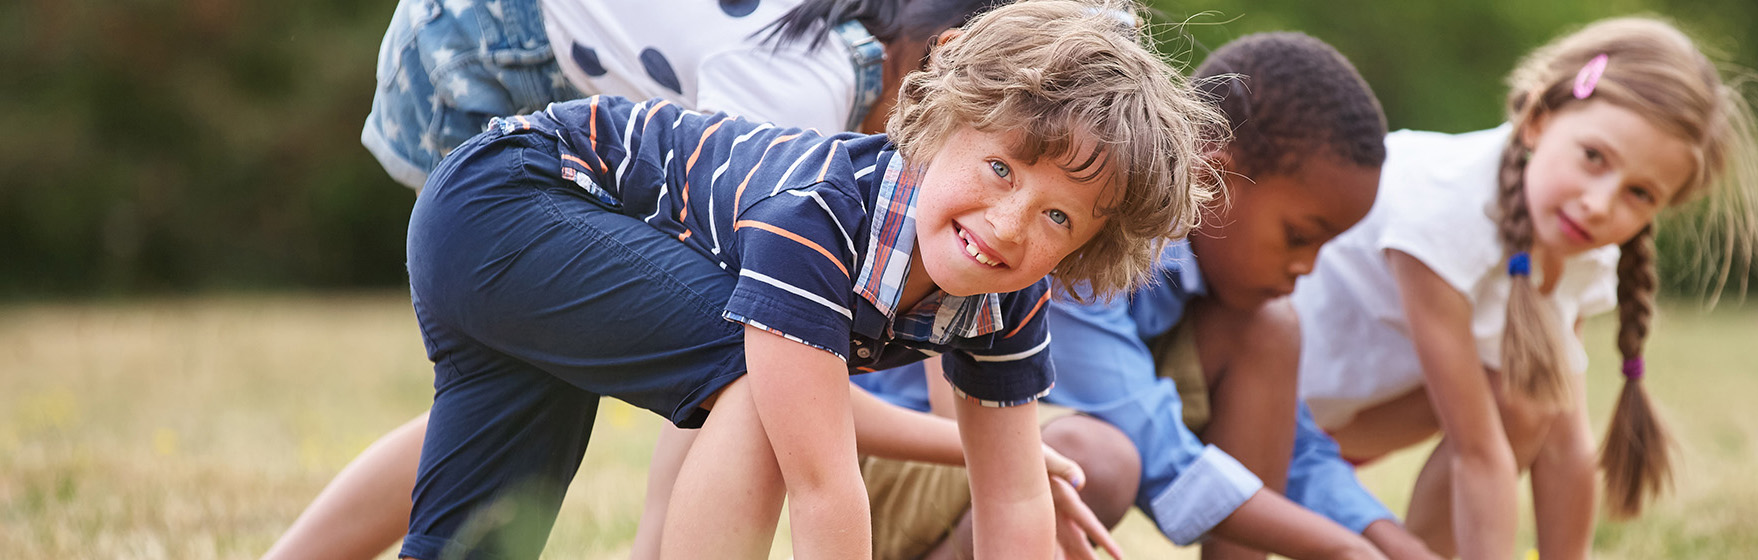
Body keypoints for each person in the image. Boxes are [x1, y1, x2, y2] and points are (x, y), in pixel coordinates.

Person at [379, 1, 1229, 558]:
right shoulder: (818, 217)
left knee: (477, 540)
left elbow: (1011, 498)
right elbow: (824, 482)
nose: (1009, 225)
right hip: (511, 196)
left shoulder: (1008, 292)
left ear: (1088, 246)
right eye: (1003, 169)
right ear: (941, 123)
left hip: (500, 231)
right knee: (756, 377)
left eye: (1058, 218)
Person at [265, 1, 1013, 558]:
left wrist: (993, 457)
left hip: (521, 165)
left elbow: (943, 322)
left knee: (516, 436)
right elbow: (767, 354)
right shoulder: (803, 99)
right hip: (481, 58)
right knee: (750, 365)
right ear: (935, 75)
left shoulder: (850, 59)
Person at [849, 32, 1441, 560]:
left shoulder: (1222, 307)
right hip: (914, 456)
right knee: (1100, 460)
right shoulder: (1080, 232)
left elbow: (1299, 451)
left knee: (1270, 330)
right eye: (1299, 236)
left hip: (1017, 454)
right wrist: (1339, 547)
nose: (1306, 268)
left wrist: (1390, 541)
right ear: (1213, 176)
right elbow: (1155, 454)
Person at [1290, 16, 1758, 559]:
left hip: (1346, 425)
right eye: (1594, 157)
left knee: (1528, 399)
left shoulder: (1575, 245)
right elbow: (1479, 455)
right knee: (1512, 404)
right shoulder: (1442, 214)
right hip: (1266, 415)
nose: (1599, 204)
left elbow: (1566, 449)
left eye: (1639, 193)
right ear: (1538, 122)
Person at [362, 0, 1008, 190]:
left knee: (522, 383)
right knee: (521, 379)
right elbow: (740, 290)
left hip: (506, 41)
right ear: (945, 55)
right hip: (471, 52)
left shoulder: (854, 31)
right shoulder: (802, 87)